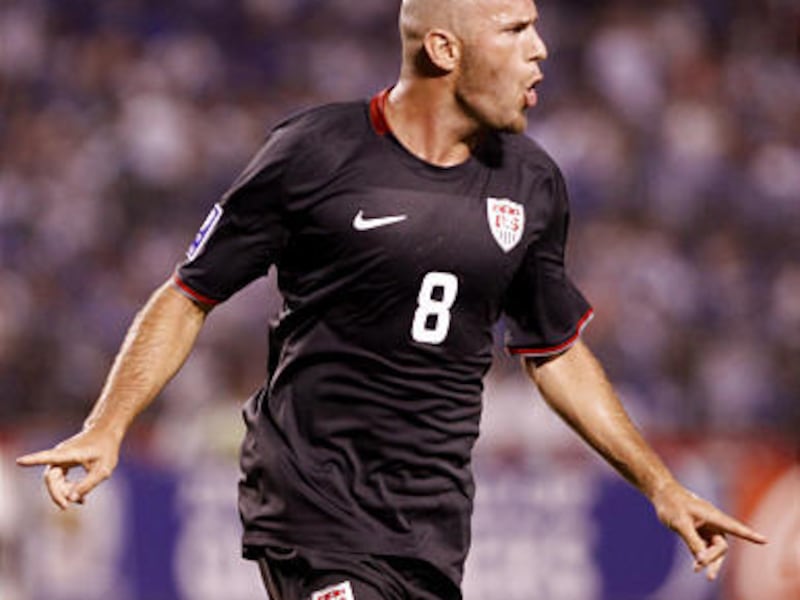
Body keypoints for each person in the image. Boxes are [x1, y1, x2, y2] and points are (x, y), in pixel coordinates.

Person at [17, 0, 767, 598]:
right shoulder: (313, 154)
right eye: (515, 29)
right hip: (313, 508)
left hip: (431, 527)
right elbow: (189, 293)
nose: (540, 49)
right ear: (444, 49)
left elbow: (556, 351)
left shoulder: (532, 184)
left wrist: (660, 486)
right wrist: (108, 424)